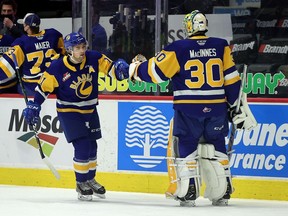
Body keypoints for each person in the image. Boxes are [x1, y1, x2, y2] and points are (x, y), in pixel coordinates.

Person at [129, 10, 257, 206]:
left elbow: (156, 73)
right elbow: (231, 80)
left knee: (186, 144)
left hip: (189, 109)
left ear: (188, 27)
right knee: (216, 145)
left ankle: (188, 190)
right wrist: (234, 105)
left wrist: (137, 68)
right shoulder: (221, 46)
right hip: (216, 108)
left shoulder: (178, 48)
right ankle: (223, 190)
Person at [22, 32, 129, 201]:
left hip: (90, 109)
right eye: (78, 48)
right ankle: (80, 183)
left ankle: (90, 179)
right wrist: (34, 105)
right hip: (69, 111)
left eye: (83, 47)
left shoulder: (94, 58)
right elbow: (43, 88)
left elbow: (112, 70)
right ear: (69, 50)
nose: (82, 51)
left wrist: (121, 68)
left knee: (93, 146)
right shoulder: (58, 67)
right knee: (83, 146)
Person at [0, 13, 65, 95]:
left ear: (26, 27)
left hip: (31, 87)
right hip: (52, 84)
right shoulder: (53, 34)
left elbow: (5, 67)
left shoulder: (21, 43)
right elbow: (64, 54)